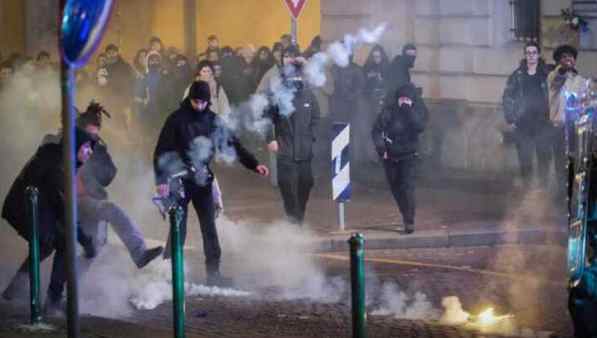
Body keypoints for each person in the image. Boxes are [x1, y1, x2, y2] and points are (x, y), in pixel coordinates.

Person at [153, 81, 269, 286]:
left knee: (209, 228)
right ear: (190, 99)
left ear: (208, 101)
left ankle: (214, 274)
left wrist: (254, 164)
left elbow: (233, 144)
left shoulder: (214, 120)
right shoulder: (176, 119)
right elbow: (162, 150)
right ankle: (168, 273)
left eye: (203, 102)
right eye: (196, 101)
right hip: (179, 181)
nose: (199, 106)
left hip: (202, 181)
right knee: (178, 228)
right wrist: (161, 179)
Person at [2, 127, 96, 314]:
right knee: (64, 243)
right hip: (24, 209)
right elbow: (65, 209)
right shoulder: (58, 166)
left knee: (46, 245)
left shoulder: (58, 157)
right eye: (86, 147)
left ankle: (14, 290)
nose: (90, 152)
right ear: (73, 146)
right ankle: (53, 300)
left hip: (25, 207)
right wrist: (85, 241)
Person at [74, 102, 163, 275]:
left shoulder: (95, 147)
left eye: (95, 135)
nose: (90, 141)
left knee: (93, 249)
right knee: (111, 211)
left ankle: (68, 290)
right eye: (89, 135)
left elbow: (108, 174)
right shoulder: (68, 142)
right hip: (73, 200)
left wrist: (98, 149)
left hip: (89, 198)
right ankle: (139, 253)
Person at [266, 45, 320, 225]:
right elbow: (267, 117)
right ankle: (293, 218)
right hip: (285, 147)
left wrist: (311, 135)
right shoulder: (278, 93)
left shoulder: (308, 95)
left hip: (304, 149)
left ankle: (298, 216)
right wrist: (271, 139)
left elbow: (316, 117)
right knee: (286, 185)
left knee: (307, 182)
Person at [371, 83, 428, 234]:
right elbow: (376, 130)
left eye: (406, 99)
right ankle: (405, 213)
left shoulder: (417, 109)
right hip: (390, 156)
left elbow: (420, 126)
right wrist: (381, 149)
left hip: (409, 156)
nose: (403, 101)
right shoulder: (389, 111)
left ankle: (409, 221)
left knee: (407, 187)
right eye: (401, 98)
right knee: (396, 188)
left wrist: (408, 111)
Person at [502, 41, 552, 188]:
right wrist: (511, 118)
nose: (531, 56)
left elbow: (555, 96)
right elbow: (507, 96)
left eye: (534, 53)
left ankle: (543, 189)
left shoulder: (546, 74)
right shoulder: (517, 75)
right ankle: (527, 189)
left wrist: (554, 116)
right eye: (528, 53)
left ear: (538, 55)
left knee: (543, 156)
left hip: (542, 122)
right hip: (523, 123)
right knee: (525, 158)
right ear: (525, 55)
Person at [547, 44, 584, 198]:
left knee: (575, 162)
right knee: (559, 163)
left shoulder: (580, 80)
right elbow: (557, 81)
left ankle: (573, 194)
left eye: (571, 57)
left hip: (575, 128)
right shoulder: (553, 76)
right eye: (564, 57)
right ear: (558, 61)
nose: (568, 59)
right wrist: (562, 70)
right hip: (559, 127)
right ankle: (560, 196)